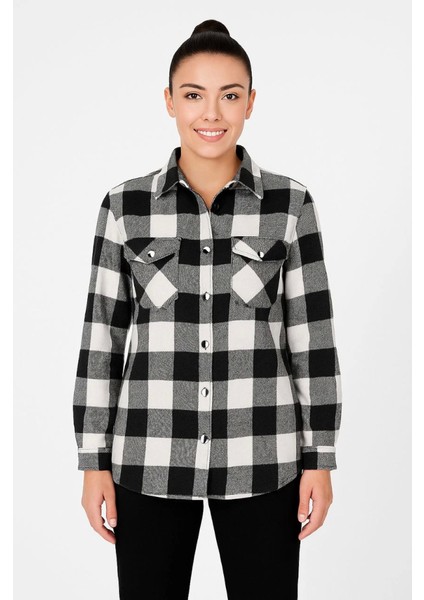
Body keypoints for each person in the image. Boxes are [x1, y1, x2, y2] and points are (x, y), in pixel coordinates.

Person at [72, 18, 342, 600]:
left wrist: (319, 458)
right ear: (170, 101)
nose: (211, 113)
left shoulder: (290, 205)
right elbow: (101, 341)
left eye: (230, 95)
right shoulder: (124, 207)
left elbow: (312, 340)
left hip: (263, 457)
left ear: (251, 103)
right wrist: (93, 462)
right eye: (194, 95)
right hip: (148, 459)